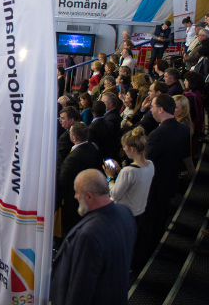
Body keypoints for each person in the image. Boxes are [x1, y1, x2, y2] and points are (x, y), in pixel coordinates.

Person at [50, 169, 136, 305]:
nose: (75, 197)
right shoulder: (125, 212)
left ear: (89, 197)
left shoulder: (88, 235)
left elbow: (80, 289)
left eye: (77, 192)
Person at [139, 94, 191, 262]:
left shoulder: (157, 135)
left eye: (152, 107)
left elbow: (144, 161)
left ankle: (144, 257)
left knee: (148, 224)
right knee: (161, 220)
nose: (151, 110)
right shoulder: (184, 129)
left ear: (161, 109)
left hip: (154, 186)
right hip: (170, 182)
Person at [58, 122, 103, 238]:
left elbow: (63, 179)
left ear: (73, 138)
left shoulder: (73, 158)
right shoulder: (93, 147)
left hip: (74, 198)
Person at [104, 128, 154, 217]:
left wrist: (110, 177)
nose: (123, 149)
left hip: (125, 212)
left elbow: (114, 195)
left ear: (131, 149)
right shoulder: (150, 164)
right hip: (140, 209)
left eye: (124, 146)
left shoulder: (127, 172)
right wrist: (120, 171)